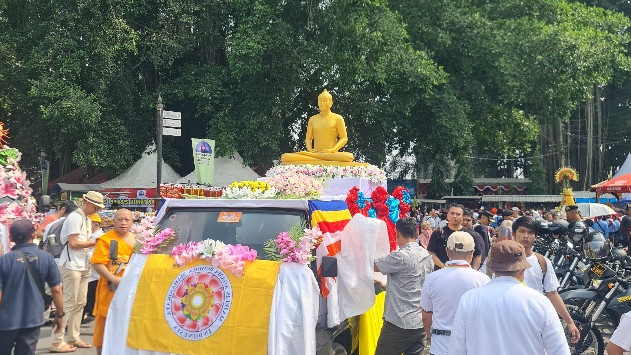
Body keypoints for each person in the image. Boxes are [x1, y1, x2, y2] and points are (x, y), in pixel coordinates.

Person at [448, 240, 570, 355]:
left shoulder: (470, 298)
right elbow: (559, 350)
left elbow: (456, 348)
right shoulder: (540, 301)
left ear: (493, 269)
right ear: (523, 271)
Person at [0, 220, 67, 354]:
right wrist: (60, 315)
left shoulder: (4, 261)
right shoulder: (46, 258)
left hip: (6, 320)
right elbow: (57, 290)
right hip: (32, 318)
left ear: (11, 238)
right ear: (34, 234)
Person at [512, 216, 580, 343]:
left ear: (536, 237)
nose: (525, 236)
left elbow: (552, 293)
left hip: (535, 322)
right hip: (509, 321)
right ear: (513, 234)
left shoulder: (542, 261)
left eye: (530, 233)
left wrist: (570, 322)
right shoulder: (503, 260)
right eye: (521, 231)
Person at [420, 232, 489, 355]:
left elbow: (426, 316)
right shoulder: (483, 280)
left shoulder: (432, 278)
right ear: (472, 253)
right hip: (471, 346)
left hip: (440, 346)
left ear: (447, 251)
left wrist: (431, 338)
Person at [51, 191, 104, 351]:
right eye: (96, 207)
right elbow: (73, 243)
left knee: (80, 303)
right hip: (72, 265)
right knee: (68, 304)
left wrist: (91, 243)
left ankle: (73, 337)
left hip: (82, 264)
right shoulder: (75, 217)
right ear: (88, 203)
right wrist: (94, 243)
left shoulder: (85, 218)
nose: (97, 210)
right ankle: (57, 341)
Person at [373, 217, 434, 355]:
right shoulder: (426, 255)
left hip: (399, 323)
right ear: (417, 232)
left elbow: (374, 265)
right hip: (420, 322)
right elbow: (413, 283)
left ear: (397, 234)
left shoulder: (400, 256)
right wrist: (386, 285)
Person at [91, 209, 135, 355]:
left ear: (132, 222)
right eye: (120, 219)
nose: (123, 223)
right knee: (104, 328)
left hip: (130, 290)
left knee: (126, 325)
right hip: (110, 288)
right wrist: (113, 279)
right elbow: (97, 263)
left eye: (127, 220)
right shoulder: (105, 239)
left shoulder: (138, 240)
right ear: (113, 221)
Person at [281, 90, 356, 164]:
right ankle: (318, 158)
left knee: (349, 156)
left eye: (325, 101)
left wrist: (333, 150)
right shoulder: (313, 119)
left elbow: (344, 138)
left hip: (331, 154)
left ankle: (314, 158)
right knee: (285, 157)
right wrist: (310, 150)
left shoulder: (338, 118)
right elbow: (308, 139)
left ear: (331, 103)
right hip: (315, 153)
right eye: (320, 101)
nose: (322, 103)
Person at [427, 204, 483, 270]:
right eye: (452, 213)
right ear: (447, 215)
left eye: (458, 214)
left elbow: (478, 254)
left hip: (465, 274)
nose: (454, 216)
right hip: (443, 274)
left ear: (462, 217)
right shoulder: (438, 233)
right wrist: (445, 268)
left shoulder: (470, 235)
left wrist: (473, 271)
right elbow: (431, 253)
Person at [83, 213, 104, 324]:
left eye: (89, 224)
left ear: (95, 224)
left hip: (95, 271)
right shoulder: (91, 235)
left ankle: (91, 313)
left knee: (92, 291)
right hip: (89, 270)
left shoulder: (100, 237)